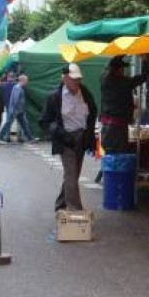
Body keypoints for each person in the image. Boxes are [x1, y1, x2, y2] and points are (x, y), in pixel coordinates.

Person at [39, 64, 98, 213]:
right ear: (64, 78)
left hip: (82, 138)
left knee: (73, 175)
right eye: (73, 79)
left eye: (78, 78)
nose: (77, 82)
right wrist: (59, 133)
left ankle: (60, 204)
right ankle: (76, 211)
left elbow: (93, 111)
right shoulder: (54, 97)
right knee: (71, 174)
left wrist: (90, 134)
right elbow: (45, 121)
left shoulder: (85, 92)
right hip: (65, 139)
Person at [95, 55, 149, 183]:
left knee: (109, 152)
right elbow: (140, 79)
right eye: (122, 68)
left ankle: (104, 174)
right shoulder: (120, 82)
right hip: (117, 125)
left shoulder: (104, 79)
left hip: (107, 124)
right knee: (119, 154)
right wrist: (146, 64)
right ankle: (115, 180)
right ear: (117, 69)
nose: (123, 71)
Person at [0, 75, 33, 144]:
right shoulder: (18, 88)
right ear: (23, 80)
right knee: (8, 123)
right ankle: (0, 138)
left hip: (18, 110)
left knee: (24, 124)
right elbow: (15, 100)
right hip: (16, 110)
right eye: (26, 80)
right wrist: (16, 110)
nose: (27, 82)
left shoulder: (18, 87)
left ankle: (30, 138)